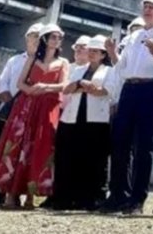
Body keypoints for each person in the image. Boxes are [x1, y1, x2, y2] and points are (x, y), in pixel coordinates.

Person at [101, 0, 153, 215]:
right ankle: (117, 195)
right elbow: (121, 66)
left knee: (144, 146)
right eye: (145, 6)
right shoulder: (134, 36)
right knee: (120, 144)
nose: (148, 10)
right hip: (129, 89)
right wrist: (112, 52)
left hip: (149, 88)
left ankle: (137, 200)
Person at [0, 24, 69, 210]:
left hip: (48, 107)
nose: (57, 40)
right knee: (18, 147)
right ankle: (11, 194)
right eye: (53, 36)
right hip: (27, 106)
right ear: (45, 39)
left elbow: (64, 85)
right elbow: (20, 83)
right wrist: (31, 90)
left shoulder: (63, 63)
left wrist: (46, 87)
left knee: (40, 147)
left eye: (59, 37)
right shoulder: (31, 59)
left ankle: (31, 196)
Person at [0, 22, 41, 207]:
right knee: (0, 153)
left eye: (39, 36)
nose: (35, 39)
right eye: (32, 35)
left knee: (25, 155)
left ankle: (22, 193)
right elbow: (3, 84)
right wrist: (12, 104)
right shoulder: (14, 60)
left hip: (31, 115)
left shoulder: (45, 62)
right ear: (26, 38)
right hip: (9, 112)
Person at [53, 37, 112, 210]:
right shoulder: (78, 70)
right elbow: (67, 89)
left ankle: (91, 198)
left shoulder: (109, 71)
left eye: (96, 51)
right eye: (90, 50)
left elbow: (104, 91)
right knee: (69, 158)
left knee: (93, 160)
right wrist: (81, 84)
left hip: (96, 120)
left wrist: (83, 87)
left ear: (103, 54)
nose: (91, 53)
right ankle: (65, 198)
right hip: (73, 117)